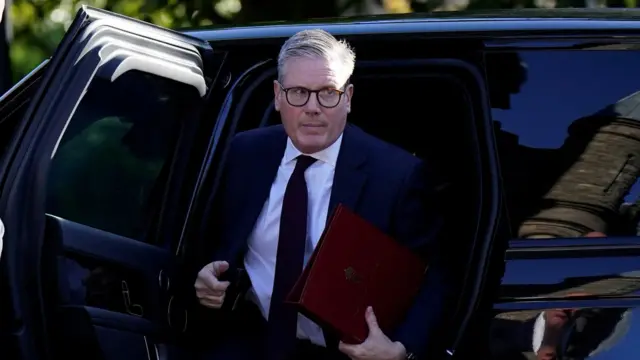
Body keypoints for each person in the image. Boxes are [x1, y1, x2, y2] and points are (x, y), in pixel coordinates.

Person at [194, 29, 447, 360]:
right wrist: (204, 278)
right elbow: (205, 240)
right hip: (248, 340)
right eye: (298, 92)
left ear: (349, 97)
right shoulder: (244, 153)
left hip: (343, 352)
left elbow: (434, 276)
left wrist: (401, 349)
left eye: (328, 92)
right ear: (277, 95)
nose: (312, 107)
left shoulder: (396, 175)